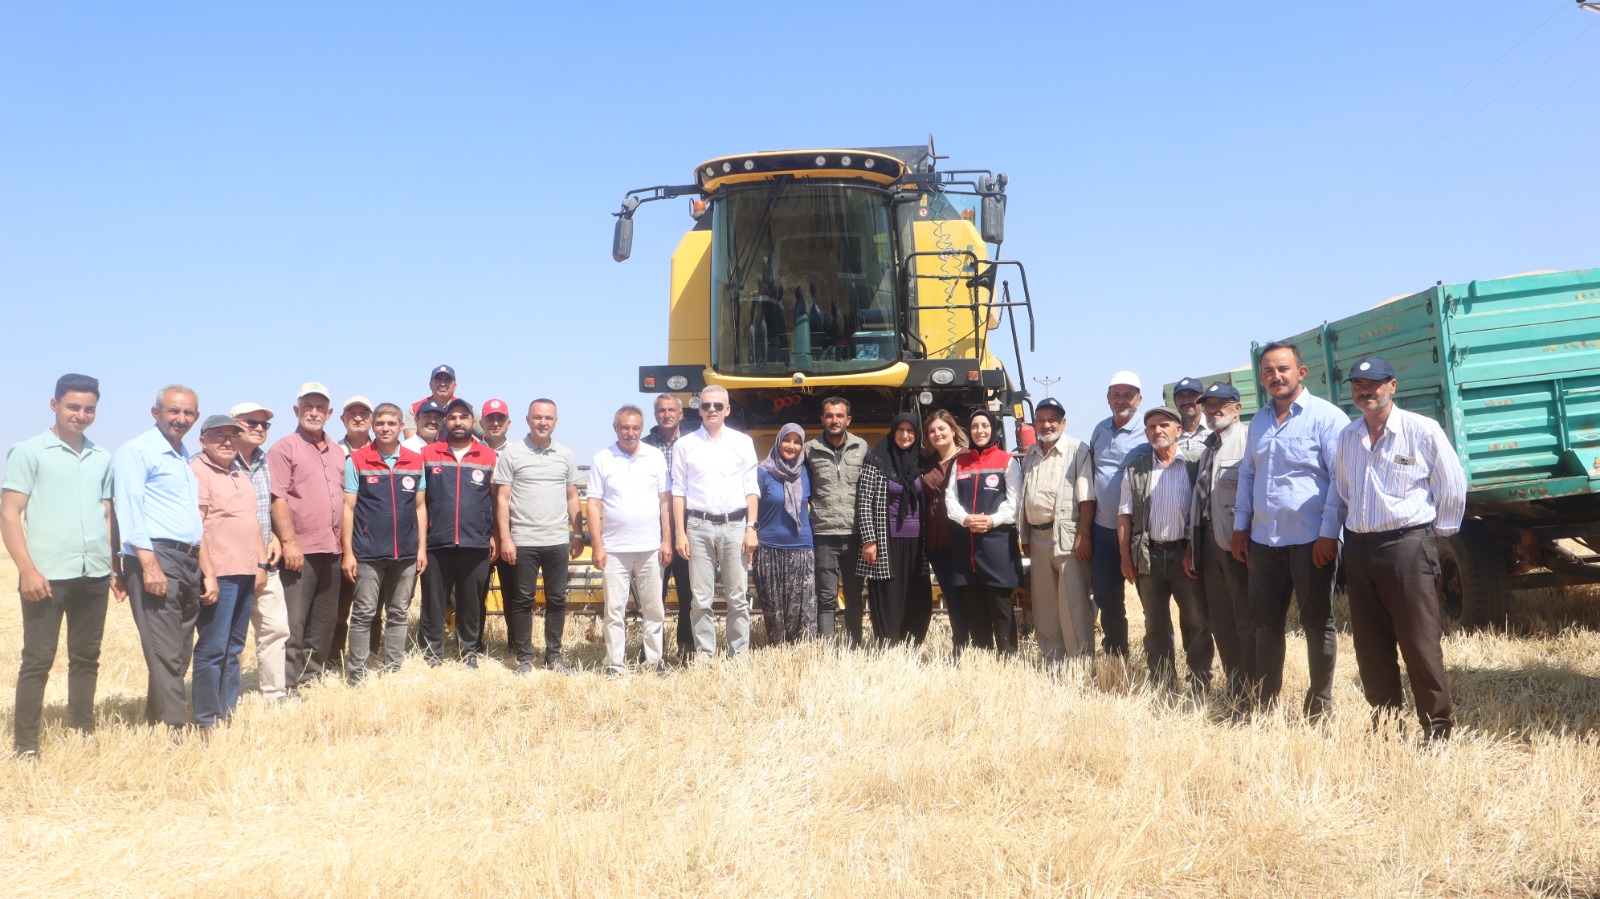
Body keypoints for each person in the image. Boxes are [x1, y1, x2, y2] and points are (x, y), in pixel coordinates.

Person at [1326, 355, 1467, 740]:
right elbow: (1343, 490)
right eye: (1358, 385)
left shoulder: (1421, 430)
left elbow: (1452, 484)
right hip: (1360, 550)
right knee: (1371, 648)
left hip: (1407, 548)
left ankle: (1437, 729)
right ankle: (1386, 727)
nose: (1365, 391)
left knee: (1420, 645)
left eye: (1373, 384)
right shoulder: (1348, 436)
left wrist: (1437, 534)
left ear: (1392, 386)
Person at [3, 374, 117, 761]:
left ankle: (82, 731)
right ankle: (26, 745)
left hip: (94, 574)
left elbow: (106, 514)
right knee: (37, 660)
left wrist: (112, 567)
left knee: (86, 657)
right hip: (46, 576)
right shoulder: (28, 452)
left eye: (89, 409)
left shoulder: (102, 457)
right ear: (54, 405)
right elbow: (9, 513)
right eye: (73, 407)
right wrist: (27, 570)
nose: (81, 415)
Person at [1232, 341, 1346, 721]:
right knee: (1265, 626)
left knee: (1317, 624)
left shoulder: (1327, 418)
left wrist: (1329, 534)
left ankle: (1319, 707)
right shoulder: (1259, 422)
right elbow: (1248, 475)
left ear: (1301, 372)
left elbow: (1340, 480)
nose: (1276, 376)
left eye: (1283, 369)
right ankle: (1266, 705)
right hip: (1264, 541)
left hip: (1311, 540)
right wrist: (1240, 526)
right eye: (1268, 371)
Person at [112, 384, 213, 731]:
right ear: (155, 412)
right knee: (165, 650)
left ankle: (157, 722)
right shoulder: (137, 451)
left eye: (188, 413)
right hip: (157, 556)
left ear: (196, 417)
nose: (181, 418)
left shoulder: (182, 455)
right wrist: (148, 564)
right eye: (173, 411)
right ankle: (175, 729)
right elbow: (129, 508)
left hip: (186, 560)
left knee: (179, 649)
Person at [1118, 407, 1212, 691]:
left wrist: (1193, 550)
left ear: (1178, 430)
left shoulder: (1195, 464)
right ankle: (1162, 683)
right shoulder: (1136, 469)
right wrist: (1125, 557)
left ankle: (1199, 682)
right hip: (1149, 557)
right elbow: (1124, 516)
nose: (1157, 431)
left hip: (1186, 556)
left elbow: (1205, 513)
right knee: (1155, 625)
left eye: (1164, 425)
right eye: (1151, 427)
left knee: (1197, 622)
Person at [494, 398, 582, 674]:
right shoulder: (512, 454)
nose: (543, 422)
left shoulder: (565, 454)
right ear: (528, 420)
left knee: (557, 599)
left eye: (548, 418)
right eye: (537, 417)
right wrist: (506, 538)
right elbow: (502, 499)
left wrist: (577, 533)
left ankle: (554, 656)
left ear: (555, 421)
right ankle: (525, 659)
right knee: (522, 600)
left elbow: (572, 496)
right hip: (524, 540)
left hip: (557, 540)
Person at [671, 385, 759, 660]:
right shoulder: (684, 445)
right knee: (700, 599)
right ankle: (704, 656)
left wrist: (751, 527)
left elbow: (751, 488)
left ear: (727, 410)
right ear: (699, 410)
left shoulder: (742, 442)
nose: (712, 410)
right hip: (697, 527)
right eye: (706, 405)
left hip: (735, 525)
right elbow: (678, 492)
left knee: (737, 597)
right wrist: (680, 533)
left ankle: (739, 655)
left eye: (718, 406)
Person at [269, 382, 347, 692]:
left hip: (332, 548)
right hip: (300, 549)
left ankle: (311, 677)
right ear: (296, 410)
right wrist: (289, 543)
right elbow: (277, 498)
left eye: (320, 407)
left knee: (324, 620)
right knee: (294, 622)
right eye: (308, 406)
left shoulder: (337, 452)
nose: (314, 412)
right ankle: (287, 683)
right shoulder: (284, 448)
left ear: (330, 413)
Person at [190, 415, 266, 729]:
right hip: (219, 573)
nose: (227, 441)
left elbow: (252, 521)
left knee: (234, 648)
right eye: (218, 436)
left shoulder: (239, 472)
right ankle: (207, 717)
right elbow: (196, 528)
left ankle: (227, 711)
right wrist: (208, 575)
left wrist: (261, 564)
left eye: (232, 436)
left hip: (246, 571)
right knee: (213, 648)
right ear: (203, 440)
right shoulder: (198, 472)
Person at [341, 403, 427, 682]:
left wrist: (421, 549)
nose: (385, 428)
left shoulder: (415, 461)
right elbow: (348, 509)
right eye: (380, 423)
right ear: (373, 426)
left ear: (402, 427)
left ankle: (392, 669)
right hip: (367, 552)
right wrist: (348, 553)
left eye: (391, 423)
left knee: (398, 613)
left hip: (406, 553)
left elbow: (420, 507)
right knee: (363, 613)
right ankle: (357, 672)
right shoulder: (357, 460)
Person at [587, 405, 672, 675]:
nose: (630, 433)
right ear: (615, 428)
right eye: (625, 427)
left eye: (635, 428)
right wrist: (597, 545)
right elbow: (593, 504)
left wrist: (667, 540)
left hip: (650, 547)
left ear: (641, 429)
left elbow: (665, 501)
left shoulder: (655, 457)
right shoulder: (602, 458)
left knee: (654, 608)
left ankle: (654, 662)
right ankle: (614, 663)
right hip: (614, 548)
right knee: (614, 610)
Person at [1184, 382, 1253, 699]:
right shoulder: (1209, 446)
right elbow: (1202, 501)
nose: (1213, 410)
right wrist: (1192, 545)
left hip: (1238, 544)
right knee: (1221, 622)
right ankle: (1236, 687)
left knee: (1246, 620)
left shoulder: (1248, 440)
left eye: (1221, 404)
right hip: (1210, 542)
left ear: (1237, 408)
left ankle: (1254, 689)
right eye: (1208, 405)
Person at [1017, 398, 1096, 663]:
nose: (1046, 425)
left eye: (1053, 419)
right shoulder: (1031, 454)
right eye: (1041, 419)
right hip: (1037, 536)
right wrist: (1025, 535)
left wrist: (1083, 534)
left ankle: (1079, 661)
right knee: (1045, 605)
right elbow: (1025, 497)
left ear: (1064, 422)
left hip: (1067, 535)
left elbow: (1086, 497)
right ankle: (1053, 660)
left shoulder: (1077, 450)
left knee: (1073, 603)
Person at [422, 399, 499, 667]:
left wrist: (495, 535)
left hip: (476, 542)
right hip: (436, 541)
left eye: (463, 417)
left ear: (473, 422)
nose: (458, 422)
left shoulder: (488, 456)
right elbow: (419, 501)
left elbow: (496, 500)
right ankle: (432, 654)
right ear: (445, 422)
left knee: (471, 602)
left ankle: (469, 652)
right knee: (434, 602)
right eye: (452, 417)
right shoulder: (428, 454)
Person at [945, 409, 1022, 656]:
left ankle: (1008, 657)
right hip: (965, 545)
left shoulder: (1007, 461)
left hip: (996, 544)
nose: (980, 431)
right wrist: (965, 519)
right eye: (975, 426)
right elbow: (950, 498)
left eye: (985, 426)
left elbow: (1015, 502)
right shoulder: (960, 463)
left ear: (994, 429)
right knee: (974, 606)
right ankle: (983, 657)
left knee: (1000, 604)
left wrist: (991, 520)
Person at [229, 401, 290, 701]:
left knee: (275, 629)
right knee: (231, 635)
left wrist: (275, 536)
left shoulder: (265, 461)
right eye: (250, 422)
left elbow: (268, 505)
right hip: (231, 564)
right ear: (233, 426)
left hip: (267, 562)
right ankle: (227, 697)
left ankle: (274, 693)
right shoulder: (216, 461)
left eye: (263, 424)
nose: (258, 428)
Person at [1087, 371, 1149, 657]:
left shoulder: (1148, 430)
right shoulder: (1100, 430)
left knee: (1151, 601)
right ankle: (1116, 654)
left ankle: (1159, 661)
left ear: (1139, 399)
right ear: (1108, 398)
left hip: (1138, 531)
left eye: (1128, 395)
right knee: (1106, 597)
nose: (1121, 400)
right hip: (1103, 530)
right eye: (1116, 394)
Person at [856, 413, 932, 646]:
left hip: (918, 542)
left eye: (910, 431)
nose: (905, 435)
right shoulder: (876, 460)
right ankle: (889, 644)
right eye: (900, 430)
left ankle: (912, 644)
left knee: (917, 593)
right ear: (893, 431)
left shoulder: (923, 461)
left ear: (917, 434)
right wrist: (869, 539)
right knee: (888, 593)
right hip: (886, 540)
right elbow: (864, 502)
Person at [805, 396, 869, 646]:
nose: (834, 420)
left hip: (855, 534)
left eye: (839, 415)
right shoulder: (810, 450)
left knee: (854, 595)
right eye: (829, 415)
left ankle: (854, 646)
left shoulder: (861, 447)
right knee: (826, 596)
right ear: (822, 419)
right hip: (824, 535)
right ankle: (827, 649)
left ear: (848, 419)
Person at [642, 393, 694, 662]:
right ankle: (653, 653)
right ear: (655, 415)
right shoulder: (642, 446)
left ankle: (687, 649)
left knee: (689, 593)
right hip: (653, 529)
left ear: (681, 414)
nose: (667, 414)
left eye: (672, 410)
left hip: (689, 527)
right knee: (654, 596)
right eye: (661, 410)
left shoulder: (695, 443)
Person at [755, 423, 816, 644]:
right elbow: (751, 507)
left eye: (797, 442)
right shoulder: (763, 472)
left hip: (802, 549)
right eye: (787, 440)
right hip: (768, 549)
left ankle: (804, 654)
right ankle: (778, 652)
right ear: (778, 441)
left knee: (803, 611)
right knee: (774, 611)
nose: (791, 446)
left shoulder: (807, 472)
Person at [331, 394, 375, 663]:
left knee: (374, 608)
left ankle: (370, 657)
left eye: (364, 413)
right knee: (339, 606)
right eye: (352, 413)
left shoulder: (383, 451)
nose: (358, 417)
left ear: (372, 419)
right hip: (341, 539)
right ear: (342, 418)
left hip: (375, 542)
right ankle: (334, 658)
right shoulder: (332, 451)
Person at [919, 410, 968, 650]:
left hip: (961, 536)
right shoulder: (927, 462)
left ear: (953, 430)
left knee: (964, 593)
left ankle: (967, 644)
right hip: (935, 539)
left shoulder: (967, 458)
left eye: (941, 428)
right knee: (950, 593)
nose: (937, 434)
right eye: (931, 431)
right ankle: (960, 642)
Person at [476, 397, 516, 647]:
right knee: (476, 593)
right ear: (481, 423)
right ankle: (473, 645)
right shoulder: (473, 452)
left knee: (514, 592)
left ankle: (516, 645)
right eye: (490, 418)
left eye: (500, 418)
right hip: (480, 534)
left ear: (508, 423)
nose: (495, 423)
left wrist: (505, 535)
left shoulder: (518, 453)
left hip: (512, 533)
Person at [404, 364, 459, 440]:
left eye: (448, 380)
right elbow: (412, 442)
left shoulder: (465, 409)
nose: (442, 384)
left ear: (455, 386)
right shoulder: (415, 408)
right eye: (438, 380)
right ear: (430, 384)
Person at [1172, 378, 1210, 459]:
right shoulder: (1170, 434)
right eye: (1181, 396)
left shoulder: (1215, 431)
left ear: (1202, 400)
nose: (1186, 401)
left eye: (1192, 395)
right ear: (1175, 401)